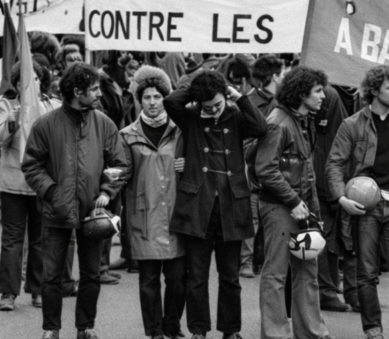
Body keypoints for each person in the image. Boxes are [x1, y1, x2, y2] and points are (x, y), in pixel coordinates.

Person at [22, 62, 127, 339]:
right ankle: (51, 329)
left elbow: (119, 163)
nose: (99, 94)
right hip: (55, 210)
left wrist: (106, 191)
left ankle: (85, 328)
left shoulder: (104, 123)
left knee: (92, 274)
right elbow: (31, 166)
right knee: (51, 275)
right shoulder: (45, 124)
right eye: (93, 89)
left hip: (94, 213)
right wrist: (53, 192)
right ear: (77, 91)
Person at [327, 65, 389, 339]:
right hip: (365, 207)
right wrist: (341, 198)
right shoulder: (352, 124)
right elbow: (334, 164)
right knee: (366, 273)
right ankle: (373, 330)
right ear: (374, 91)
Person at [163, 70, 266, 339]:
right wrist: (198, 89)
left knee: (230, 276)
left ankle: (230, 331)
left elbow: (260, 127)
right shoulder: (191, 118)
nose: (215, 110)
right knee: (196, 276)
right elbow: (171, 101)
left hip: (232, 205)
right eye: (208, 107)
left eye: (218, 104)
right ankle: (198, 331)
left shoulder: (234, 114)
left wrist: (236, 95)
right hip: (199, 206)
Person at [254, 66, 332, 339]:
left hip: (299, 208)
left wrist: (312, 212)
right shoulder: (279, 122)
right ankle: (276, 334)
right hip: (280, 209)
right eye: (318, 91)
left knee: (306, 271)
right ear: (302, 93)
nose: (323, 96)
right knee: (276, 274)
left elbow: (306, 173)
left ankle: (311, 332)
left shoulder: (299, 119)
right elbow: (266, 169)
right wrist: (294, 201)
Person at [120, 66, 187, 339]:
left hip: (176, 215)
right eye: (146, 97)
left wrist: (188, 166)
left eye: (157, 97)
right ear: (139, 100)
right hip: (144, 216)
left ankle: (172, 325)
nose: (151, 102)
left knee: (178, 279)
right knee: (148, 281)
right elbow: (120, 171)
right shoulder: (127, 135)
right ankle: (154, 331)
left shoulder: (181, 131)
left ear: (165, 98)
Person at [0, 63, 59, 311]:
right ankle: (8, 293)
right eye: (23, 82)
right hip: (13, 183)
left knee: (41, 240)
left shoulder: (54, 106)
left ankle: (38, 290)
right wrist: (11, 122)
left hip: (43, 184)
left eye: (34, 80)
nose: (29, 85)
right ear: (17, 85)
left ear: (41, 81)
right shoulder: (6, 105)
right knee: (12, 239)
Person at [240, 54, 286, 279]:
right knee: (252, 214)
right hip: (252, 165)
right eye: (282, 73)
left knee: (274, 213)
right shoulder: (248, 100)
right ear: (275, 76)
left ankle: (266, 259)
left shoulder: (285, 100)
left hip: (276, 164)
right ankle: (246, 260)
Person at [314, 84, 351, 312]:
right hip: (322, 181)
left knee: (328, 236)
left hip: (325, 179)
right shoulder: (329, 93)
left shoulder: (331, 94)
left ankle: (326, 288)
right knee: (324, 236)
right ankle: (325, 290)